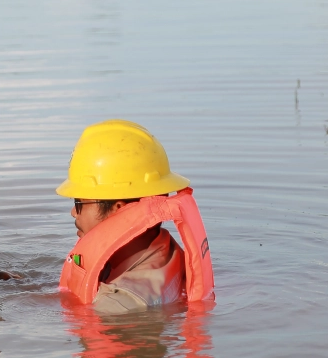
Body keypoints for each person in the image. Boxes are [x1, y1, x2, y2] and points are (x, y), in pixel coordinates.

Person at [57, 120, 214, 314]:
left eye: (78, 203)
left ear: (120, 210)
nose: (73, 212)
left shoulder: (119, 306)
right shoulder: (162, 248)